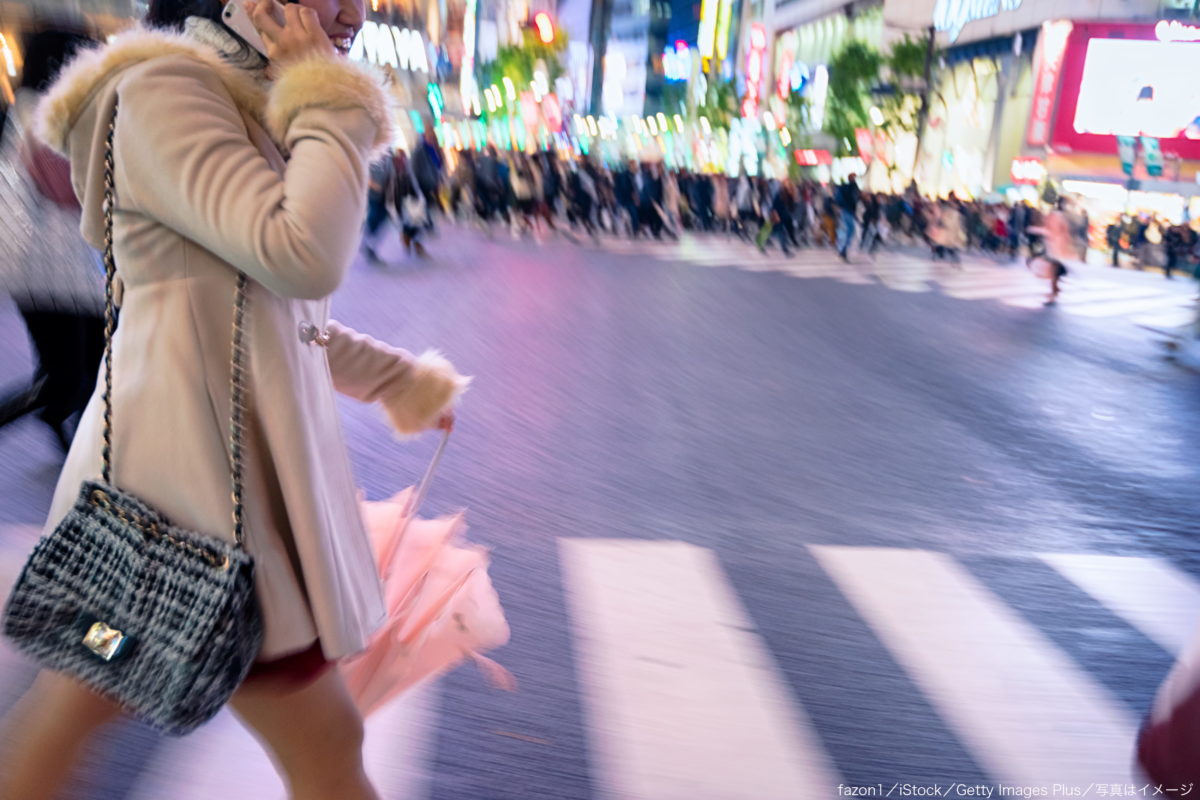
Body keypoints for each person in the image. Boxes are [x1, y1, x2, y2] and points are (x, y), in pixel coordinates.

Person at [0, 2, 469, 799]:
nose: (352, 13)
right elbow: (301, 258)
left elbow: (270, 318)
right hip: (204, 505)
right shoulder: (165, 91)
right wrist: (325, 96)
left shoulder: (243, 95)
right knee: (325, 737)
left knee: (84, 694)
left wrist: (396, 380)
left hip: (186, 495)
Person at [0, 25, 106, 453]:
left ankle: (78, 441)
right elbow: (72, 190)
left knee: (82, 370)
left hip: (39, 268)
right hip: (54, 270)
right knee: (75, 374)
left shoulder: (27, 108)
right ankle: (74, 437)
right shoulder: (51, 116)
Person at [834, 173, 861, 261]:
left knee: (848, 231)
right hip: (847, 211)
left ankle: (843, 249)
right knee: (849, 230)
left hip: (848, 211)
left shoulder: (850, 187)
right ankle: (843, 249)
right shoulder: (849, 187)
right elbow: (853, 199)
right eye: (854, 177)